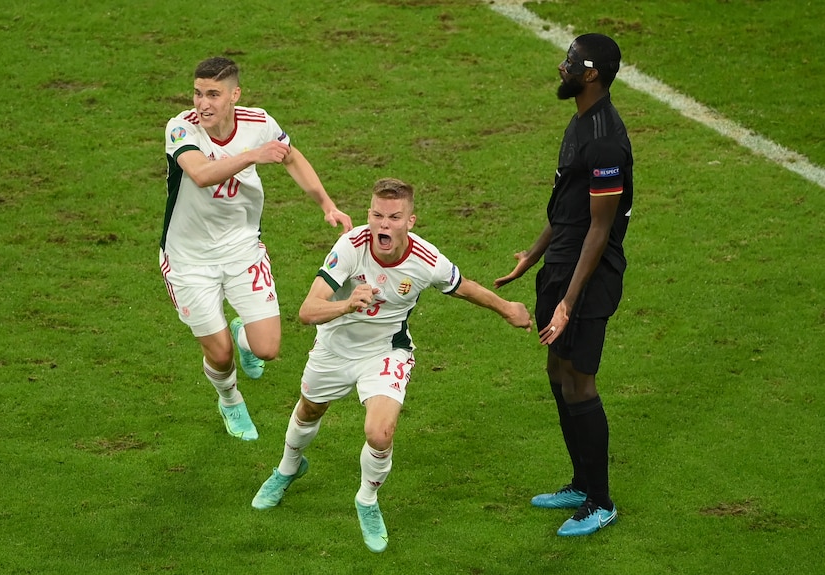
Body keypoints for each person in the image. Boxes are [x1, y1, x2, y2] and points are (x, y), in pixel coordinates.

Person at [251, 178, 533, 553]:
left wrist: (507, 309)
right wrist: (347, 304)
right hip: (334, 348)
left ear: (410, 221)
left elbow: (464, 286)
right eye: (377, 215)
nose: (383, 224)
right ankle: (288, 468)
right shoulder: (350, 248)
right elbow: (307, 311)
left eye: (394, 217)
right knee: (310, 410)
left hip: (386, 351)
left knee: (380, 433)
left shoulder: (427, 261)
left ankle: (367, 500)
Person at [159, 56, 352, 442]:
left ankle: (242, 334)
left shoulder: (259, 123)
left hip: (242, 250)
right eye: (197, 93)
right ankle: (230, 399)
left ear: (235, 95)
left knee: (266, 348)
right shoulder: (182, 128)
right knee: (220, 355)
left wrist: (326, 203)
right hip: (188, 260)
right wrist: (252, 156)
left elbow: (291, 157)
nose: (203, 104)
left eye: (213, 94)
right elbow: (199, 174)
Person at [494, 33, 633, 537]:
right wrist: (531, 257)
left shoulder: (605, 140)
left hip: (589, 275)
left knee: (579, 379)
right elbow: (568, 208)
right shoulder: (580, 123)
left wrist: (569, 303)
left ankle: (600, 501)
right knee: (557, 368)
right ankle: (580, 482)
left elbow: (600, 227)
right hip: (561, 263)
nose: (562, 66)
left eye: (570, 62)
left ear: (591, 74)